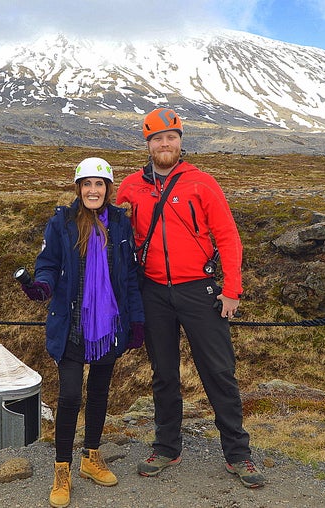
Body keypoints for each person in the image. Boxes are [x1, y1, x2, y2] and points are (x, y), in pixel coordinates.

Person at [116, 108, 266, 488]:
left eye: (170, 137)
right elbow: (116, 238)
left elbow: (229, 238)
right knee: (163, 375)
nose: (164, 144)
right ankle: (167, 447)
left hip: (199, 291)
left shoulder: (202, 183)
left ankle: (238, 454)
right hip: (153, 293)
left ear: (181, 141)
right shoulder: (131, 186)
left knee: (219, 373)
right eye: (156, 139)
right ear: (147, 144)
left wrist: (232, 290)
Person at [19, 157, 146, 508]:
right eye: (87, 184)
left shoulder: (120, 224)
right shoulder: (61, 222)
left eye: (99, 184)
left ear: (108, 189)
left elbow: (130, 278)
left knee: (100, 393)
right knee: (71, 396)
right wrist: (40, 287)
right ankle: (63, 469)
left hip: (108, 326)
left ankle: (92, 456)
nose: (93, 190)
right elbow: (47, 266)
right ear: (78, 188)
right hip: (73, 325)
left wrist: (136, 322)